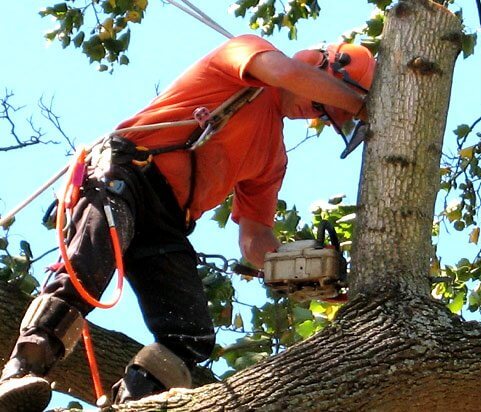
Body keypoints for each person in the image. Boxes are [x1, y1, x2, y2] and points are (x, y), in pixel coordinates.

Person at [0, 34, 375, 411]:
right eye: (321, 104)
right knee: (89, 267)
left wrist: (293, 269)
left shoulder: (272, 157)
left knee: (190, 333)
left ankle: (135, 403)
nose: (314, 114)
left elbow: (254, 237)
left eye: (324, 117)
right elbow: (282, 72)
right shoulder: (249, 55)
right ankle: (24, 368)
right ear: (321, 65)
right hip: (128, 175)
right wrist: (360, 105)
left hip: (168, 221)